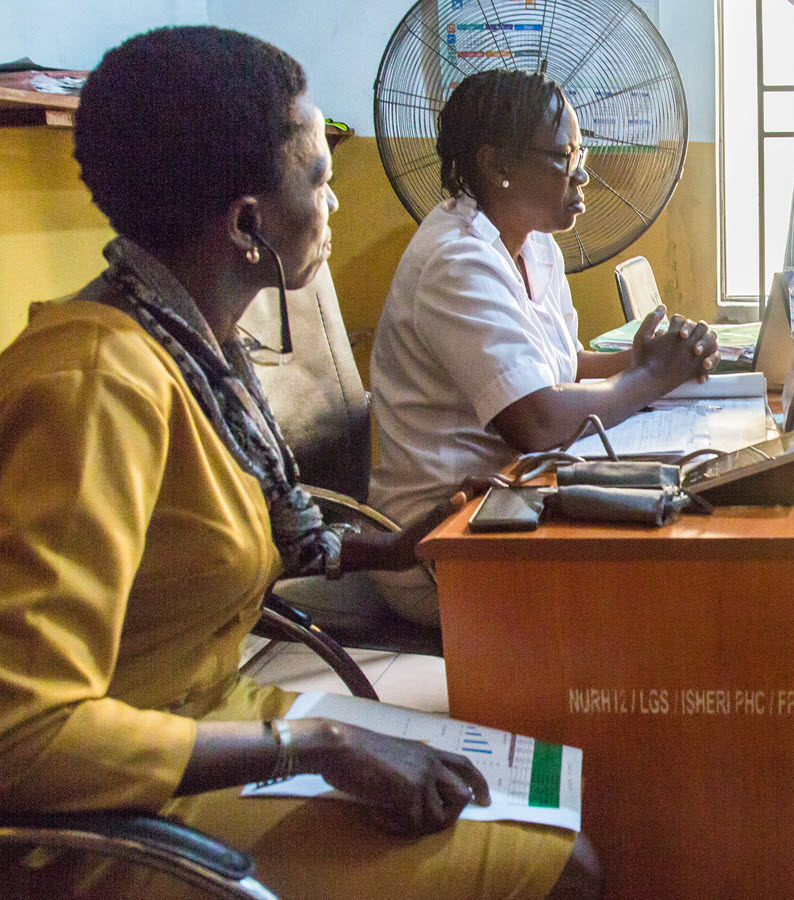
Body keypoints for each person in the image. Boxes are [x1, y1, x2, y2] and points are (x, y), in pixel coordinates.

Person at [0, 27, 599, 899]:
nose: (337, 203)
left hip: (208, 722)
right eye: (319, 178)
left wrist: (386, 551)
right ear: (248, 222)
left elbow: (197, 551)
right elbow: (24, 734)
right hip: (104, 816)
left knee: (545, 786)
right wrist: (322, 746)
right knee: (566, 867)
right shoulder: (95, 385)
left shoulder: (194, 349)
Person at [367, 69, 717, 626]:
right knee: (664, 581)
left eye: (581, 153)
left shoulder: (536, 245)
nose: (582, 175)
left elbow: (563, 363)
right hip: (443, 535)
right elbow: (538, 420)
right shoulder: (456, 261)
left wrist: (648, 360)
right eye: (564, 156)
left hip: (517, 496)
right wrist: (650, 380)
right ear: (497, 165)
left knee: (688, 517)